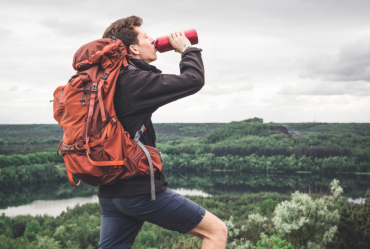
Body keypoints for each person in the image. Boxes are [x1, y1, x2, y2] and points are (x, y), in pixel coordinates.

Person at [97, 16, 227, 249]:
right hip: (137, 192)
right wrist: (188, 49)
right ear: (134, 48)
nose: (153, 40)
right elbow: (193, 80)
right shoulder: (133, 81)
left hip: (110, 194)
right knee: (215, 232)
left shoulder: (106, 81)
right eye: (147, 36)